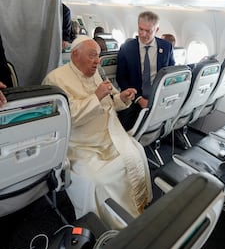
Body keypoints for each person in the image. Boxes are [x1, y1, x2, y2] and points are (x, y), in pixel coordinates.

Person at [42, 35, 152, 228]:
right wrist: (96, 95)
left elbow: (110, 102)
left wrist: (123, 98)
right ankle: (102, 226)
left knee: (137, 152)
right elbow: (66, 119)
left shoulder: (96, 73)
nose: (97, 61)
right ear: (75, 55)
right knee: (97, 180)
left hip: (108, 136)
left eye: (98, 56)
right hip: (80, 144)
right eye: (92, 55)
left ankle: (134, 209)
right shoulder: (55, 79)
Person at [116, 11, 175, 131]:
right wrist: (139, 99)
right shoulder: (126, 48)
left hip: (158, 97)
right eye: (140, 29)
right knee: (124, 128)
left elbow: (170, 72)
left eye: (148, 31)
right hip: (134, 98)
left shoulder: (166, 47)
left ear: (156, 30)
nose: (143, 34)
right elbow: (121, 78)